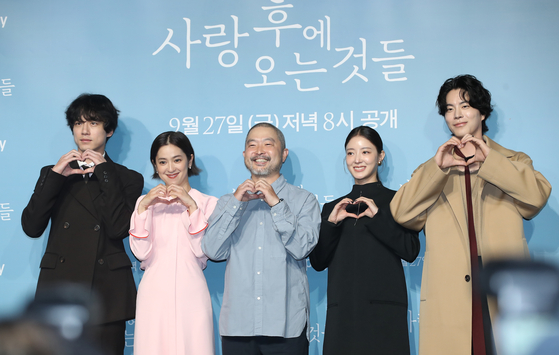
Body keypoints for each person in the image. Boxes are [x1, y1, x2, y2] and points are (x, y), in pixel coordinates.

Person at [390, 74, 552, 355]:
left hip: (502, 286)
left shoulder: (513, 161)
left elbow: (535, 199)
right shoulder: (435, 166)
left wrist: (491, 161)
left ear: (483, 111)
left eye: (464, 106)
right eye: (449, 109)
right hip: (451, 290)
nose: (457, 114)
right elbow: (402, 213)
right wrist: (437, 170)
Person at [21, 94, 143, 355]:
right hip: (59, 289)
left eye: (94, 122)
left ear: (109, 130)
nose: (84, 130)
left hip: (106, 291)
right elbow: (31, 227)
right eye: (78, 123)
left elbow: (118, 228)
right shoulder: (52, 173)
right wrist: (55, 175)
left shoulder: (127, 177)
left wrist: (104, 174)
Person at [202, 122, 320, 355]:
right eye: (252, 145)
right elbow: (212, 250)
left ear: (283, 154)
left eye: (268, 144)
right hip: (238, 326)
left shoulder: (304, 200)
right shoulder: (228, 202)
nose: (259, 151)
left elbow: (302, 249)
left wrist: (276, 204)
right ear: (245, 154)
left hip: (286, 325)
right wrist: (236, 204)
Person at [310, 126, 420, 355]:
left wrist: (378, 217)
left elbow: (410, 250)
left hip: (385, 317)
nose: (357, 159)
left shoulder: (396, 200)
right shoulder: (333, 207)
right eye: (350, 153)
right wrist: (331, 223)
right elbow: (318, 262)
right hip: (343, 316)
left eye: (365, 152)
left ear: (380, 157)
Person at [129, 131, 217, 355]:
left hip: (192, 293)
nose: (171, 168)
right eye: (162, 161)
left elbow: (202, 250)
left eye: (177, 159)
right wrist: (143, 209)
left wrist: (192, 207)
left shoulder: (208, 203)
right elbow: (140, 252)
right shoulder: (145, 202)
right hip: (153, 294)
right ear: (154, 165)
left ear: (190, 159)